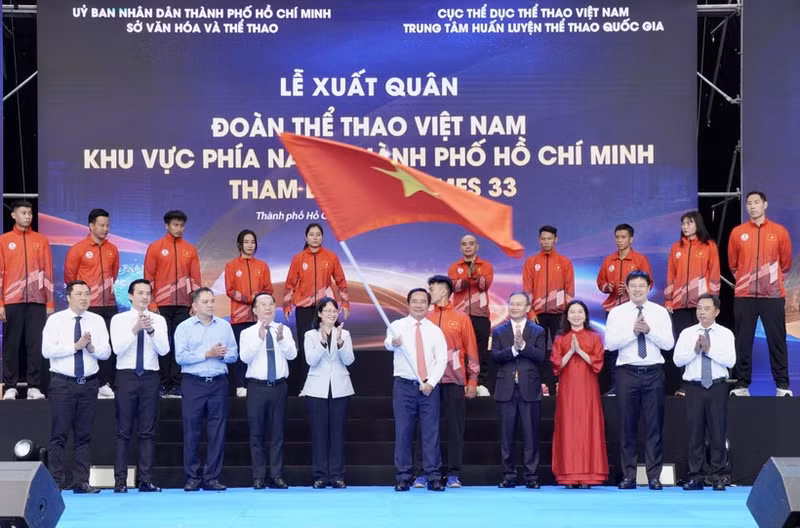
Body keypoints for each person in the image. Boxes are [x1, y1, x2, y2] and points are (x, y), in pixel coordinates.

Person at [605, 271, 674, 490]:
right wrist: (633, 333)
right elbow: (610, 344)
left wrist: (649, 331)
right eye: (632, 286)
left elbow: (668, 344)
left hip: (653, 372)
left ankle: (654, 476)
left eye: (641, 286)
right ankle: (629, 476)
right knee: (627, 427)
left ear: (648, 287)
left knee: (654, 426)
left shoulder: (660, 312)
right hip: (627, 373)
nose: (637, 289)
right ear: (627, 288)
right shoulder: (617, 313)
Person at [42, 280, 111, 492]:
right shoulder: (56, 320)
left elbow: (106, 353)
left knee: (84, 436)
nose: (84, 298)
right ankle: (55, 482)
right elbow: (47, 351)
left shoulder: (97, 320)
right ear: (68, 297)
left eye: (87, 294)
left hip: (89, 384)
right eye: (79, 294)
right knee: (59, 435)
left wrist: (90, 348)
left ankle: (81, 481)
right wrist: (75, 347)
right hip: (63, 384)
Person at [727, 191, 793, 397]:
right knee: (743, 341)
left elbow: (786, 263)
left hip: (772, 296)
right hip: (744, 295)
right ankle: (741, 384)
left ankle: (782, 385)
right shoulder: (737, 232)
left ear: (765, 204)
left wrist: (768, 281)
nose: (752, 206)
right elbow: (733, 264)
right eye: (748, 203)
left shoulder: (779, 231)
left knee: (777, 340)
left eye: (756, 202)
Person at [416, 275, 478, 488]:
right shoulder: (425, 317)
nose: (428, 292)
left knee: (454, 429)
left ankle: (453, 473)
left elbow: (471, 350)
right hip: (428, 383)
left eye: (431, 288)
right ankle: (424, 472)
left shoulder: (461, 318)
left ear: (443, 291)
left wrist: (472, 381)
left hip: (454, 381)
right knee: (426, 428)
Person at [174, 288, 237, 492]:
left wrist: (221, 355)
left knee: (217, 431)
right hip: (194, 383)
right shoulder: (184, 328)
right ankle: (192, 476)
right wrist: (207, 354)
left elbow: (234, 355)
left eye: (212, 301)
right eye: (206, 302)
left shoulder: (225, 326)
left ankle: (211, 477)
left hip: (218, 382)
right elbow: (180, 357)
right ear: (194, 305)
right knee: (191, 430)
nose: (210, 305)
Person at [385, 288, 447, 492]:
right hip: (404, 386)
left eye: (423, 301)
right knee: (403, 432)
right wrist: (394, 343)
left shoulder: (435, 330)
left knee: (431, 433)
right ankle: (403, 476)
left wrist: (432, 382)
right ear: (408, 303)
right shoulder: (397, 326)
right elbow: (389, 344)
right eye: (414, 301)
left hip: (428, 387)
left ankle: (434, 476)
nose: (419, 304)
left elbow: (441, 359)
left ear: (429, 305)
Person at [109, 279, 168, 493]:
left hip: (150, 376)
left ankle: (145, 480)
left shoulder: (159, 320)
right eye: (140, 293)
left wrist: (151, 332)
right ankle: (120, 481)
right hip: (126, 375)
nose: (145, 297)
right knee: (123, 430)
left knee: (148, 431)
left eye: (148, 293)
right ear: (130, 296)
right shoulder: (119, 319)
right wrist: (135, 329)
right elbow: (117, 349)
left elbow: (164, 351)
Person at [673, 294, 735, 491]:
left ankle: (719, 476)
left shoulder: (725, 334)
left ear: (716, 311)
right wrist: (695, 350)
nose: (702, 312)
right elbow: (677, 360)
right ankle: (696, 476)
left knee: (718, 432)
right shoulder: (687, 333)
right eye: (699, 308)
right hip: (694, 387)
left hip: (717, 386)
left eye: (706, 308)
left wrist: (708, 350)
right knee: (695, 434)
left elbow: (730, 361)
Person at [283, 223, 349, 395]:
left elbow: (341, 281)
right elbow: (290, 284)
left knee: (331, 342)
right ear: (306, 237)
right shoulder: (298, 258)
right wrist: (287, 305)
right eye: (311, 234)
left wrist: (345, 303)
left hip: (326, 308)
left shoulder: (331, 257)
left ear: (322, 237)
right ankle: (306, 386)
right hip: (304, 309)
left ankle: (332, 384)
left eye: (318, 234)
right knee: (307, 346)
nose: (314, 237)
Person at [240, 292, 297, 490]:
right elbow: (245, 358)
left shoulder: (284, 330)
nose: (268, 308)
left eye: (271, 304)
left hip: (279, 387)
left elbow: (293, 354)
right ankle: (258, 476)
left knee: (278, 433)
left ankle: (277, 475)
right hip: (257, 387)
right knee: (256, 434)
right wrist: (259, 339)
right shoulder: (247, 333)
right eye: (263, 304)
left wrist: (281, 340)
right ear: (255, 310)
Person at [0, 200, 54, 400]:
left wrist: (49, 303)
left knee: (35, 344)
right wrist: (1, 303)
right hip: (12, 300)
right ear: (14, 215)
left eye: (30, 213)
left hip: (37, 300)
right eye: (24, 212)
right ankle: (10, 386)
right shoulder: (4, 240)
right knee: (11, 345)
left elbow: (47, 272)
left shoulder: (41, 240)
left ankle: (34, 386)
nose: (28, 216)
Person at [550, 300, 608, 488]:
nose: (576, 315)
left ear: (585, 315)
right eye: (572, 312)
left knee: (588, 425)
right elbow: (556, 364)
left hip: (588, 388)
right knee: (568, 426)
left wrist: (580, 352)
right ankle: (568, 474)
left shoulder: (594, 337)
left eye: (580, 312)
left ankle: (589, 475)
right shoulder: (560, 338)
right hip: (567, 388)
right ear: (566, 316)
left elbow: (598, 362)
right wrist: (570, 353)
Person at [144, 210, 201, 398]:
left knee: (180, 344)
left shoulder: (190, 249)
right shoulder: (155, 247)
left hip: (184, 305)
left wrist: (195, 302)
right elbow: (148, 278)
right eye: (175, 225)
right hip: (161, 305)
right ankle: (161, 383)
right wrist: (152, 304)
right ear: (166, 225)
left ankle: (176, 384)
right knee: (161, 343)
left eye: (181, 225)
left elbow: (195, 278)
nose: (179, 228)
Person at [492, 292, 545, 489]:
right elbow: (495, 356)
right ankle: (508, 475)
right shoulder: (499, 331)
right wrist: (513, 350)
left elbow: (540, 356)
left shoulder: (537, 330)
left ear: (527, 307)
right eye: (512, 304)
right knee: (507, 435)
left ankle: (531, 476)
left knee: (531, 435)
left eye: (519, 304)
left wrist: (523, 346)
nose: (514, 307)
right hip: (505, 388)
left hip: (529, 388)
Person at [65, 208, 120, 399]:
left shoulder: (112, 249)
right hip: (89, 306)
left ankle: (106, 383)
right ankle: (90, 382)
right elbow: (70, 279)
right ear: (91, 226)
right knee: (89, 344)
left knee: (107, 345)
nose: (105, 229)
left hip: (109, 305)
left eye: (108, 225)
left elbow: (114, 274)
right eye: (102, 225)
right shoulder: (78, 249)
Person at [664, 211, 720, 396]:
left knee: (703, 341)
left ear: (697, 224)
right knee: (684, 344)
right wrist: (669, 299)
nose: (685, 226)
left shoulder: (709, 246)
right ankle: (683, 385)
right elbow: (671, 276)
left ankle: (704, 382)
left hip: (701, 305)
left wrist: (711, 302)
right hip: (680, 304)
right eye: (683, 224)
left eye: (688, 223)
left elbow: (714, 274)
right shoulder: (676, 248)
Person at [302, 297, 354, 489]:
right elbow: (311, 361)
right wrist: (322, 343)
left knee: (337, 434)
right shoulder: (310, 335)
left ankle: (338, 476)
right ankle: (320, 476)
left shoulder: (345, 334)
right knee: (319, 434)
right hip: (317, 390)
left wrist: (339, 343)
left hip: (340, 388)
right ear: (320, 314)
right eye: (328, 311)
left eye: (335, 311)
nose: (332, 314)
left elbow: (349, 360)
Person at [596, 223, 652, 396]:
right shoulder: (609, 260)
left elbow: (649, 283)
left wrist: (629, 290)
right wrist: (609, 287)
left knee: (632, 344)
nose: (619, 240)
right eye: (617, 237)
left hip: (634, 310)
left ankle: (634, 384)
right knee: (613, 347)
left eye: (623, 237)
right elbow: (600, 283)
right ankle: (615, 385)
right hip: (613, 310)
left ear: (631, 239)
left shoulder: (640, 260)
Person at [522, 225, 575, 397]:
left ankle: (560, 384)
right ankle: (541, 385)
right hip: (537, 314)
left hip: (559, 314)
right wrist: (530, 312)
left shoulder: (564, 262)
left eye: (549, 238)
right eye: (543, 239)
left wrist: (566, 314)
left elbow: (569, 291)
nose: (546, 242)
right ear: (539, 240)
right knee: (538, 350)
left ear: (555, 239)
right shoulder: (531, 262)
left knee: (560, 349)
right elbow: (527, 290)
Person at [225, 229, 273, 398]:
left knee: (259, 350)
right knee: (241, 352)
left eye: (252, 242)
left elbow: (269, 290)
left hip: (259, 318)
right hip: (239, 317)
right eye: (246, 242)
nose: (250, 245)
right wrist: (250, 299)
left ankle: (256, 382)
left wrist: (259, 302)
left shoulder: (262, 266)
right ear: (240, 244)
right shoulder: (231, 265)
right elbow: (229, 290)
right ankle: (240, 385)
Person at [448, 234, 494, 396]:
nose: (468, 247)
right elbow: (454, 286)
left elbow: (484, 285)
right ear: (461, 248)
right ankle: (462, 382)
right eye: (464, 244)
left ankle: (480, 383)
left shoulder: (486, 266)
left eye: (471, 244)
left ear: (477, 246)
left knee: (481, 351)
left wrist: (475, 274)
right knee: (461, 351)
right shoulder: (455, 266)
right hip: (460, 316)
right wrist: (469, 275)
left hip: (480, 315)